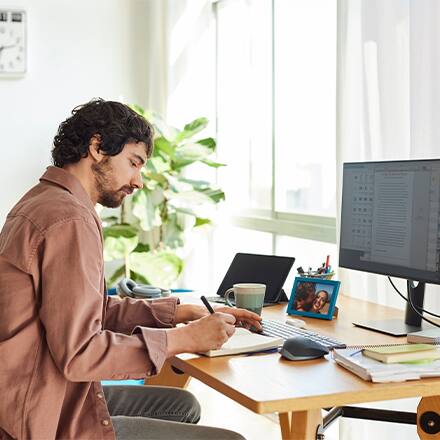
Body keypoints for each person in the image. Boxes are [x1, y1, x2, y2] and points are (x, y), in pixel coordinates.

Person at [0, 99, 262, 440]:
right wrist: (184, 339)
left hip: (42, 392)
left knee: (183, 405)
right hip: (41, 415)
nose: (138, 181)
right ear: (97, 148)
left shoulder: (44, 200)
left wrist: (177, 313)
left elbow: (82, 309)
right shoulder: (69, 219)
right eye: (133, 163)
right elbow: (80, 353)